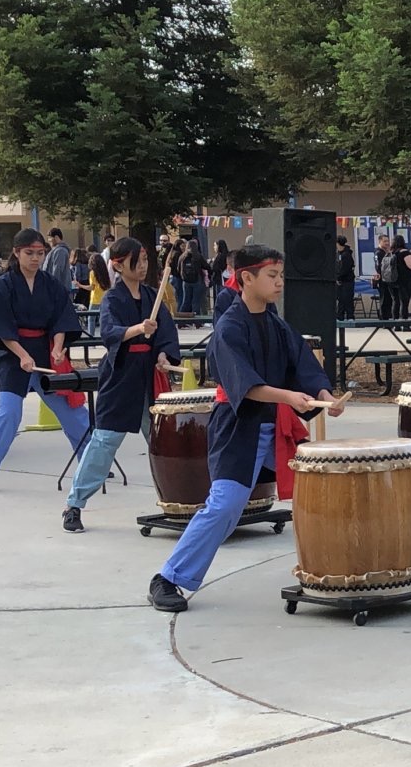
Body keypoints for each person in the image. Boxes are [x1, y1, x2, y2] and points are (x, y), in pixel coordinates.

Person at [148, 243, 347, 612]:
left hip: (274, 425)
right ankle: (168, 577)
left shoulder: (276, 324)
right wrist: (288, 397)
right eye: (273, 276)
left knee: (309, 496)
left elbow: (302, 364)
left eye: (281, 276)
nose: (280, 283)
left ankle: (336, 575)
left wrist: (323, 394)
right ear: (246, 278)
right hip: (239, 426)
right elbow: (246, 385)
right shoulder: (229, 327)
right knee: (225, 505)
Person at [61, 238, 180, 532]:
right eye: (135, 261)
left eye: (144, 260)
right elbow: (110, 332)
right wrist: (139, 328)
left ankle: (181, 501)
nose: (142, 266)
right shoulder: (113, 299)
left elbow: (166, 333)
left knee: (162, 443)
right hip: (122, 377)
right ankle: (74, 504)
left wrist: (164, 354)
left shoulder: (153, 296)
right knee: (104, 442)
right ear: (117, 264)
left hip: (150, 378)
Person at [0, 228, 89, 493]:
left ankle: (93, 464)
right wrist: (23, 356)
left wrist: (59, 347)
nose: (35, 258)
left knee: (73, 414)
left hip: (47, 352)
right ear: (16, 253)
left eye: (40, 253)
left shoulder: (51, 284)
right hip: (14, 356)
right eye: (29, 253)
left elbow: (62, 318)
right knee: (7, 415)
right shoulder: (3, 284)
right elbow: (2, 327)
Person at [178, 238, 208, 316]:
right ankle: (197, 321)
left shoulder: (182, 257)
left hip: (185, 281)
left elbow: (178, 268)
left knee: (186, 301)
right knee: (195, 301)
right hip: (196, 280)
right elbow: (206, 266)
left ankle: (182, 320)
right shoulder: (198, 256)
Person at [335, 235, 356, 319]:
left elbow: (344, 269)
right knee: (341, 300)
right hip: (341, 282)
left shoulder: (346, 255)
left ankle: (350, 317)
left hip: (347, 281)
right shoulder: (339, 254)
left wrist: (338, 277)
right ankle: (340, 316)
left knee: (347, 300)